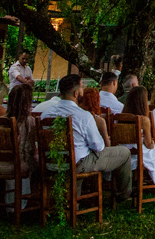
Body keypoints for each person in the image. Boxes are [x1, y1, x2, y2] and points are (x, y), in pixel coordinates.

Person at [40, 75, 133, 206]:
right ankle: (123, 195)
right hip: (78, 164)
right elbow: (98, 146)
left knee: (82, 154)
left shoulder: (46, 114)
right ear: (76, 93)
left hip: (51, 162)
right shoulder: (82, 115)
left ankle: (72, 203)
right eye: (82, 87)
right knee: (124, 152)